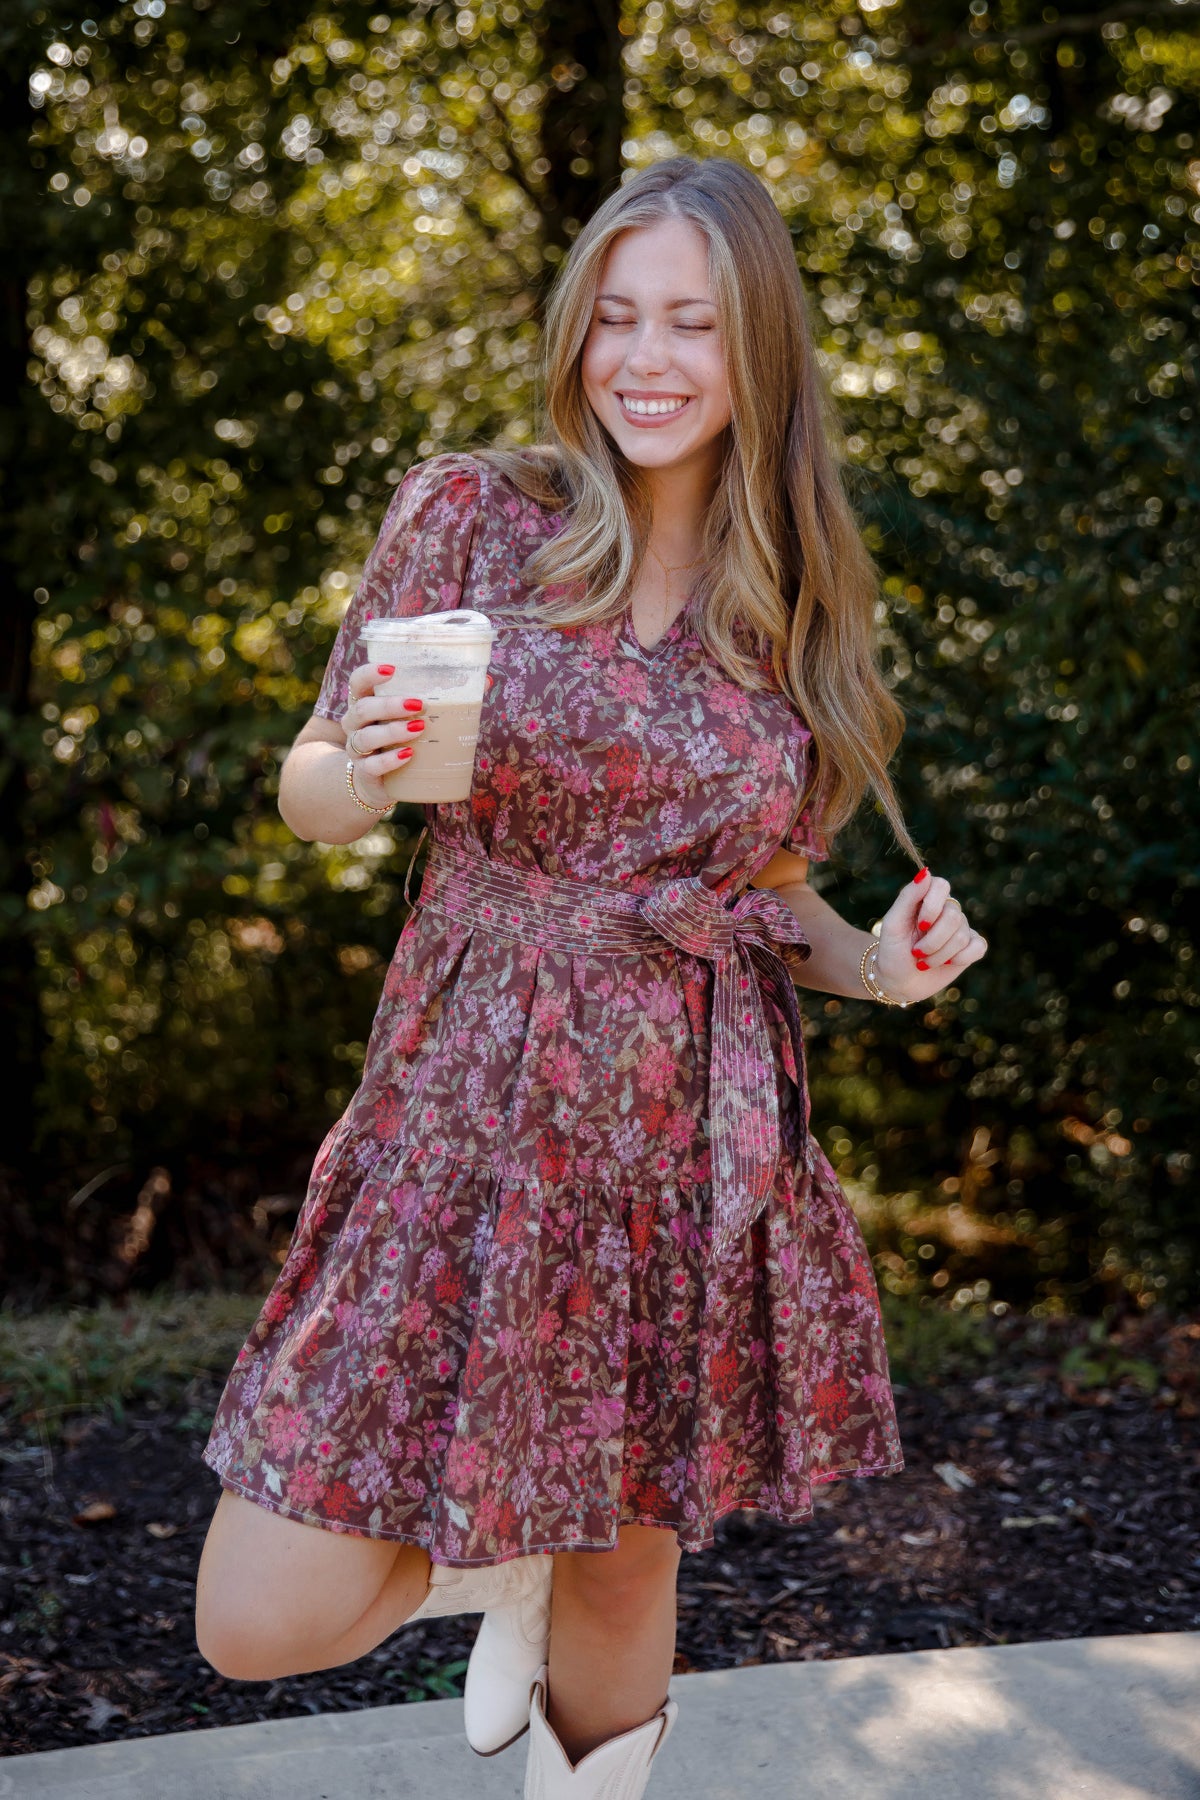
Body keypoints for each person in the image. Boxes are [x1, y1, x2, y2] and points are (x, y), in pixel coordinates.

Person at [194, 154, 987, 1796]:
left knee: (628, 1570)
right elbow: (316, 779)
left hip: (684, 1152)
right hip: (462, 1121)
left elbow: (766, 893)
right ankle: (496, 1562)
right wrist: (364, 769)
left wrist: (884, 966)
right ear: (576, 333)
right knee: (256, 1621)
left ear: (757, 346)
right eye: (617, 316)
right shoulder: (477, 516)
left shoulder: (794, 599)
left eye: (692, 321)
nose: (647, 356)